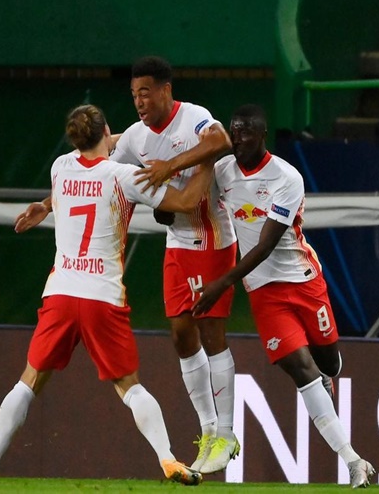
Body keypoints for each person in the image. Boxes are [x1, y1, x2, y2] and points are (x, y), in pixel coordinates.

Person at [0, 104, 215, 485]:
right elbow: (186, 202)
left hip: (61, 294)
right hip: (102, 296)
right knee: (130, 387)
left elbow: (86, 166)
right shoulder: (125, 176)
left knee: (28, 381)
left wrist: (47, 204)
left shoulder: (59, 168)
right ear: (106, 132)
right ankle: (168, 459)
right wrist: (207, 163)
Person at [192, 104, 375, 488]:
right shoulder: (222, 171)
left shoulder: (286, 177)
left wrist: (221, 283)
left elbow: (265, 246)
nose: (237, 139)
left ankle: (327, 373)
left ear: (262, 135)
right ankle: (354, 461)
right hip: (264, 292)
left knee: (328, 362)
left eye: (245, 132)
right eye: (233, 131)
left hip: (304, 281)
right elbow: (194, 198)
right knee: (301, 370)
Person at [109, 56, 240, 474]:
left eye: (145, 93)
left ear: (166, 90)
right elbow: (105, 159)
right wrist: (49, 199)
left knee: (211, 333)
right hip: (177, 241)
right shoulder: (135, 136)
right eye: (134, 95)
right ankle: (208, 430)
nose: (139, 102)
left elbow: (221, 141)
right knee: (182, 335)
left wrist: (171, 166)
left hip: (212, 238)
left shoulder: (193, 117)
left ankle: (227, 432)